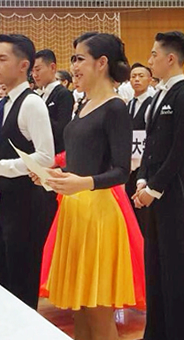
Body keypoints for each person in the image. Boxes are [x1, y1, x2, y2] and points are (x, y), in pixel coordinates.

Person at [37, 32, 146, 340]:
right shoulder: (82, 104)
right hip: (75, 212)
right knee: (81, 316)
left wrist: (82, 182)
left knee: (99, 319)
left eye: (79, 59)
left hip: (99, 217)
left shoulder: (115, 108)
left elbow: (121, 171)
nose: (74, 66)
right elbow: (80, 160)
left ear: (101, 63)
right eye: (73, 59)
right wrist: (53, 173)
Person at [0, 34, 54, 309]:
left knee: (22, 279)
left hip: (29, 203)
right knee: (2, 272)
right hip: (4, 201)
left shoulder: (32, 104)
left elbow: (46, 157)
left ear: (23, 65)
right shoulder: (1, 105)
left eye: (3, 59)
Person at [133, 31, 184, 340]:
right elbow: (150, 143)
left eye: (153, 55)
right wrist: (142, 178)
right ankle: (157, 330)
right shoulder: (160, 94)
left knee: (174, 266)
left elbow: (179, 149)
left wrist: (154, 188)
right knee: (155, 264)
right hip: (153, 189)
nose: (150, 60)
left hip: (173, 193)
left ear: (170, 58)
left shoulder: (181, 93)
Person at [124, 63, 153, 237]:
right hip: (128, 166)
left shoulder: (151, 105)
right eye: (133, 76)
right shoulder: (128, 105)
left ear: (150, 79)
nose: (136, 79)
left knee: (144, 215)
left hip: (144, 166)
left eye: (141, 76)